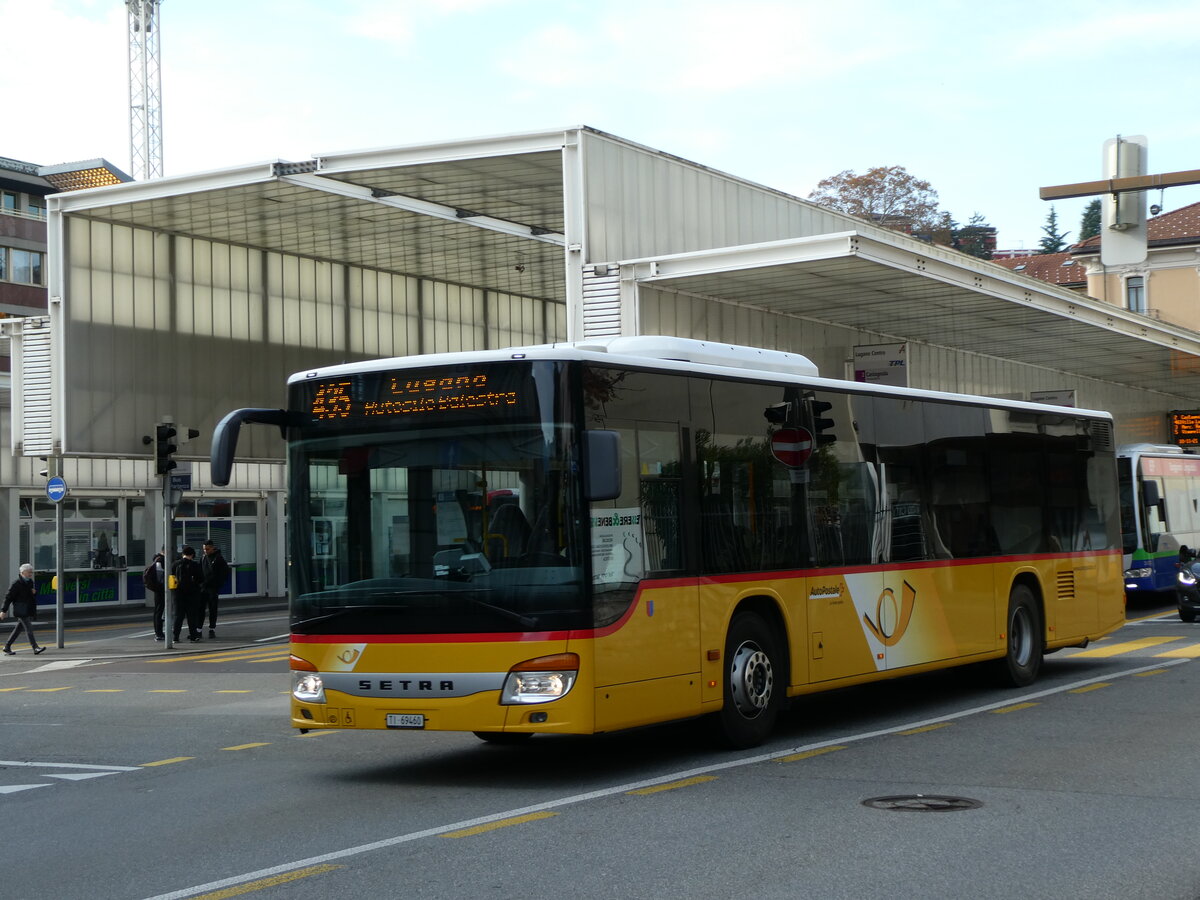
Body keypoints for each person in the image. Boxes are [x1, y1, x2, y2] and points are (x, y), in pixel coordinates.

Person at [2, 563, 45, 656]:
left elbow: (31, 596)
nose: (30, 574)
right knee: (29, 628)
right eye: (29, 572)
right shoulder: (16, 584)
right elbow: (8, 597)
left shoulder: (30, 582)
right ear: (22, 572)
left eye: (31, 572)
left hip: (27, 608)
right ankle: (35, 647)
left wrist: (34, 592)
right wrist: (3, 611)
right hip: (21, 610)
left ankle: (7, 646)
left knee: (18, 629)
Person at [172, 546, 204, 643]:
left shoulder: (175, 564)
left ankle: (175, 637)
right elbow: (201, 579)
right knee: (192, 616)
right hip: (192, 594)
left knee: (178, 616)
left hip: (178, 594)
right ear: (192, 555)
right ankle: (193, 636)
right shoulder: (195, 565)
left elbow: (170, 578)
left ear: (183, 554)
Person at [200, 539, 230, 639]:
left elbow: (225, 572)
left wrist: (217, 584)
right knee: (200, 609)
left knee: (213, 609)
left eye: (207, 549)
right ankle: (198, 628)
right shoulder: (203, 557)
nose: (205, 551)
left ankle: (212, 628)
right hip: (203, 587)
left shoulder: (218, 558)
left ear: (212, 548)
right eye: (204, 549)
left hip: (213, 588)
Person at [144, 549, 166, 640]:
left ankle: (159, 632)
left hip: (158, 589)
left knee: (159, 611)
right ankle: (159, 633)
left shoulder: (157, 559)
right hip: (161, 589)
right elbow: (161, 576)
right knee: (159, 611)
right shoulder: (160, 561)